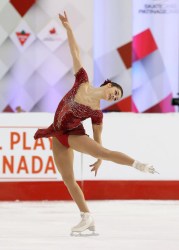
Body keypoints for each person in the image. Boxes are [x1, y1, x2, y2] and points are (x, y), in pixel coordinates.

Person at [34, 11, 158, 235]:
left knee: (105, 152)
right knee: (68, 179)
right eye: (115, 92)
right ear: (109, 85)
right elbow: (75, 52)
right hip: (57, 134)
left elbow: (100, 143)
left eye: (117, 97)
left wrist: (99, 158)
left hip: (73, 134)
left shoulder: (97, 113)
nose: (114, 96)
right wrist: (69, 29)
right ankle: (86, 217)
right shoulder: (82, 79)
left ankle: (138, 164)